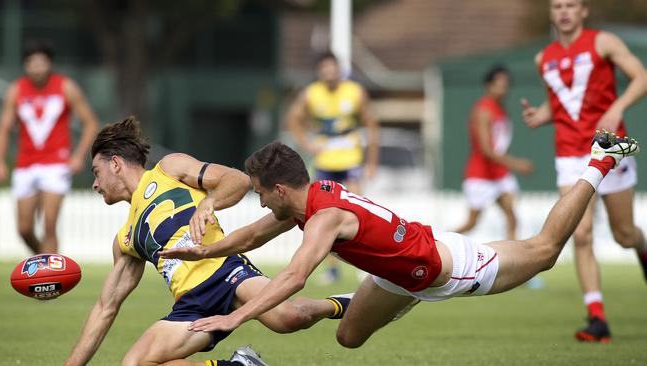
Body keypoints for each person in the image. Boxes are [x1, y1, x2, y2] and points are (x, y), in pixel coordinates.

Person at [159, 130, 637, 349]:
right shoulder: (308, 200)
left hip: (446, 267)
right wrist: (204, 249)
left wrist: (234, 317)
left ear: (280, 189)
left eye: (262, 194)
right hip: (395, 275)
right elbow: (253, 235)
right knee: (348, 338)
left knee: (547, 250)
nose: (261, 202)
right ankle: (358, 299)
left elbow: (294, 277)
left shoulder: (324, 219)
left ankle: (599, 160)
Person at [65, 117, 351, 366]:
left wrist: (209, 203)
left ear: (115, 164)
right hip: (192, 305)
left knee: (287, 318)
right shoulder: (126, 239)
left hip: (226, 272)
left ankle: (340, 303)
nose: (95, 184)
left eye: (96, 172)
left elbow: (237, 180)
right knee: (135, 363)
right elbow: (105, 308)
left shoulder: (168, 170)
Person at [521, 0, 647, 343]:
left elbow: (641, 77)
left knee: (623, 236)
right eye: (558, 6)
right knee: (580, 234)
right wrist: (540, 116)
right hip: (568, 155)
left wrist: (617, 107)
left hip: (609, 147)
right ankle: (597, 318)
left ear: (583, 11)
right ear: (551, 13)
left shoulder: (603, 42)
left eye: (571, 5)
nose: (564, 11)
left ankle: (642, 247)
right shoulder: (542, 58)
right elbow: (563, 101)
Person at [286, 51, 380, 285]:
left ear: (339, 69)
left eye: (333, 68)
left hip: (351, 157)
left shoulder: (355, 92)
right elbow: (292, 119)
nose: (329, 73)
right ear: (319, 72)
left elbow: (372, 125)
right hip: (325, 160)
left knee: (358, 209)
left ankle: (365, 265)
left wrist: (371, 162)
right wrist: (306, 143)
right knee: (320, 215)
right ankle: (332, 268)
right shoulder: (311, 94)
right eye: (324, 69)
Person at [0, 39, 99, 254]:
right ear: (25, 65)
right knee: (24, 229)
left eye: (41, 62)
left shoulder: (66, 87)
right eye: (31, 63)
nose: (36, 67)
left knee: (49, 225)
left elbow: (90, 123)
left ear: (50, 63)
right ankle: (45, 260)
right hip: (25, 163)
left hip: (56, 163)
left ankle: (48, 277)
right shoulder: (17, 90)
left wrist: (79, 156)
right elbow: (4, 128)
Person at [453, 65, 534, 239]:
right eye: (498, 83)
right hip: (481, 173)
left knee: (512, 219)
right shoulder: (483, 110)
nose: (503, 88)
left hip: (499, 173)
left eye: (506, 84)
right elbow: (486, 150)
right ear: (488, 85)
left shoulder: (502, 110)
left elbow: (500, 145)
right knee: (471, 223)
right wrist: (516, 164)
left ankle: (510, 263)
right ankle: (435, 243)